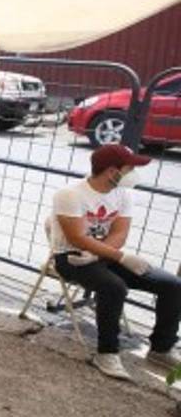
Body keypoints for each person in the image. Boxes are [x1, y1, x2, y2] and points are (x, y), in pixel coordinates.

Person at [50, 144, 181, 380]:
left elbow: (120, 233)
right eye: (130, 169)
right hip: (71, 258)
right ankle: (107, 353)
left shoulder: (122, 194)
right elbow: (77, 238)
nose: (134, 174)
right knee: (114, 287)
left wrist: (103, 254)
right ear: (112, 171)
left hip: (104, 254)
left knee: (172, 285)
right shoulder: (70, 194)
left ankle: (161, 349)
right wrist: (119, 257)